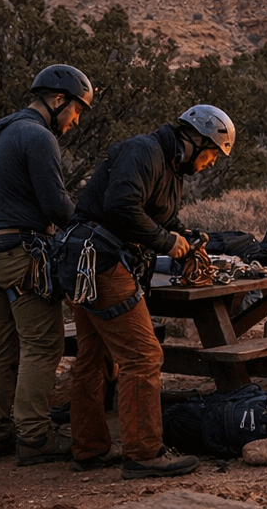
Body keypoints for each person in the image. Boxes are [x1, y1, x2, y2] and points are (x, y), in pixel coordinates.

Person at [61, 104, 235, 479]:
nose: (211, 163)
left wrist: (184, 236)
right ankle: (144, 453)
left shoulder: (170, 167)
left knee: (95, 358)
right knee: (143, 356)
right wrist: (164, 241)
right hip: (102, 260)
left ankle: (89, 449)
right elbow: (121, 207)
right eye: (212, 154)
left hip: (88, 261)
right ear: (197, 139)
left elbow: (159, 217)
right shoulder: (145, 151)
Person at [0, 64, 94, 465]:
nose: (75, 122)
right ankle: (36, 438)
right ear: (58, 100)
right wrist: (91, 228)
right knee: (43, 344)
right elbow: (56, 205)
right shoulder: (38, 137)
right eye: (76, 111)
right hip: (20, 257)